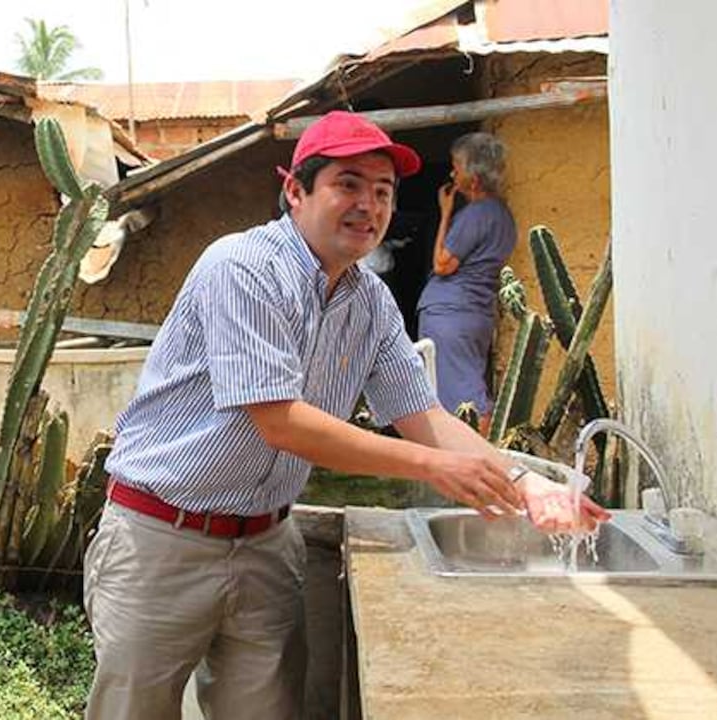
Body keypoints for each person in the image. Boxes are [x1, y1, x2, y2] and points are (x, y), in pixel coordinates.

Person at [82, 112, 608, 720]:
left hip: (265, 542)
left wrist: (528, 483)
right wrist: (436, 468)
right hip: (161, 540)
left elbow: (424, 415)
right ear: (296, 191)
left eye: (383, 191)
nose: (370, 204)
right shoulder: (243, 268)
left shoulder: (371, 300)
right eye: (349, 184)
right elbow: (279, 420)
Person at [417, 132, 518, 425]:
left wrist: (445, 214)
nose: (452, 173)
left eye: (457, 168)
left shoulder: (477, 213)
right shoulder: (503, 216)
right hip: (475, 311)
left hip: (452, 312)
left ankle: (486, 457)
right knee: (463, 385)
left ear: (473, 180)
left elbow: (442, 264)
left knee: (464, 395)